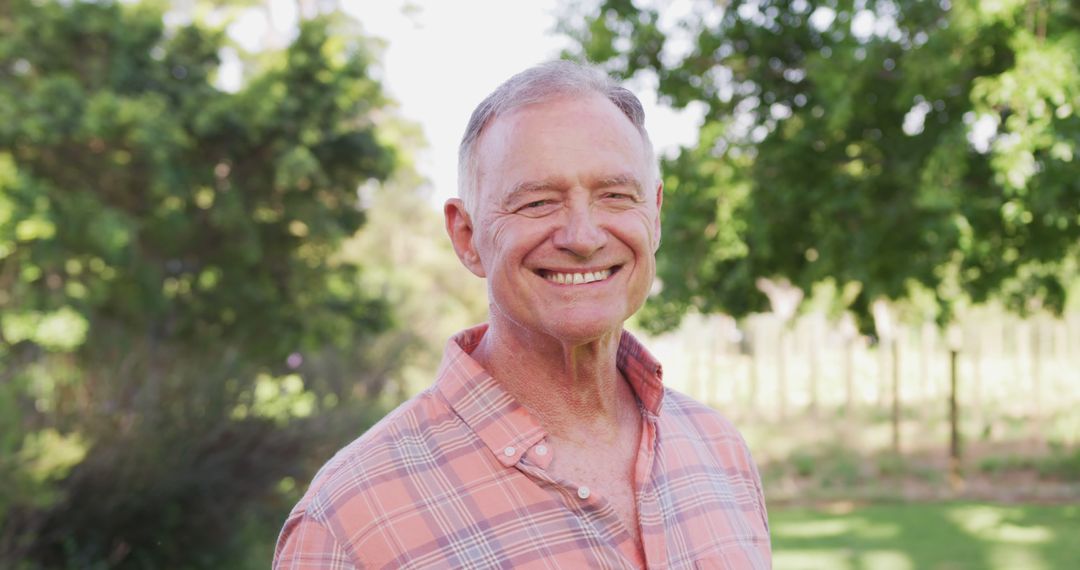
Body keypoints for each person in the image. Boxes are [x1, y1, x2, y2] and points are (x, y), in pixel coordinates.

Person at [274, 60, 771, 569]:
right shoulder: (349, 522)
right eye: (537, 203)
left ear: (656, 216)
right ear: (466, 237)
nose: (582, 236)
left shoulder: (717, 450)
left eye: (616, 196)